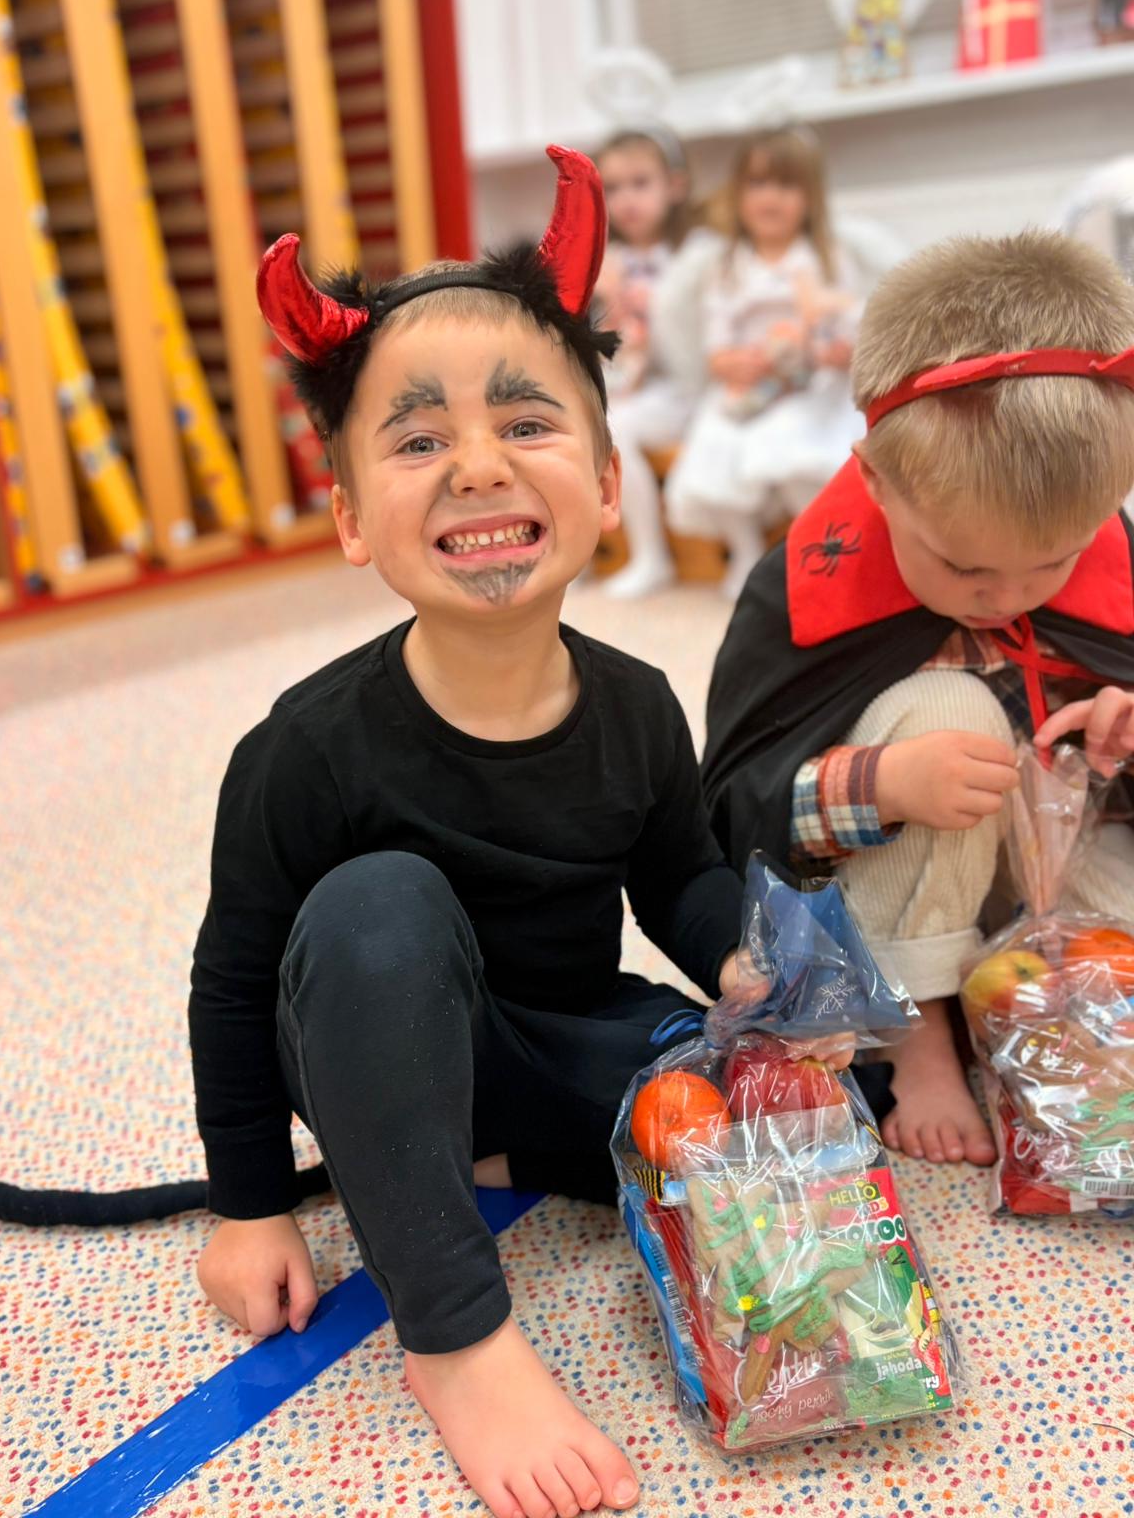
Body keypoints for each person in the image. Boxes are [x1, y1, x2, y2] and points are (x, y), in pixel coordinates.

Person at [188, 147, 853, 1518]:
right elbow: (236, 981)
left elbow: (675, 875)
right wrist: (248, 1205)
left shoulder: (635, 702)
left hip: (548, 1037)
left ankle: (485, 1157)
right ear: (350, 517)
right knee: (378, 902)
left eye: (526, 424)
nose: (480, 468)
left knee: (784, 1095)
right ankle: (455, 1333)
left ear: (607, 484)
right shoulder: (306, 746)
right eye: (418, 441)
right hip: (374, 1045)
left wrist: (755, 968)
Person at [701, 228, 1134, 1167]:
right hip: (902, 896)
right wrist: (887, 784)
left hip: (1050, 864)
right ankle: (922, 1031)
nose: (1009, 596)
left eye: (1053, 564)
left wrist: (1123, 733)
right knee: (952, 712)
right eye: (967, 567)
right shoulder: (807, 591)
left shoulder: (1110, 550)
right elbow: (735, 803)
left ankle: (1057, 1009)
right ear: (876, 480)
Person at [660, 127, 863, 602]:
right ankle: (746, 551)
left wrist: (834, 350)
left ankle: (817, 551)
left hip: (810, 386)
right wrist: (733, 362)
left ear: (810, 198)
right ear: (739, 194)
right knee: (716, 449)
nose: (770, 197)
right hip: (748, 389)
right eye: (757, 184)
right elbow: (717, 343)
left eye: (786, 185)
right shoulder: (728, 265)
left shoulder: (826, 258)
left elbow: (846, 324)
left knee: (796, 454)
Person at [591, 126, 699, 599]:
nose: (627, 200)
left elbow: (698, 344)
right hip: (632, 384)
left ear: (674, 185)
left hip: (687, 389)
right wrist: (608, 306)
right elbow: (607, 349)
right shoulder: (606, 258)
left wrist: (652, 309)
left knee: (616, 428)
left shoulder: (696, 254)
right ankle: (580, 550)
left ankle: (651, 555)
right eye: (613, 188)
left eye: (640, 183)